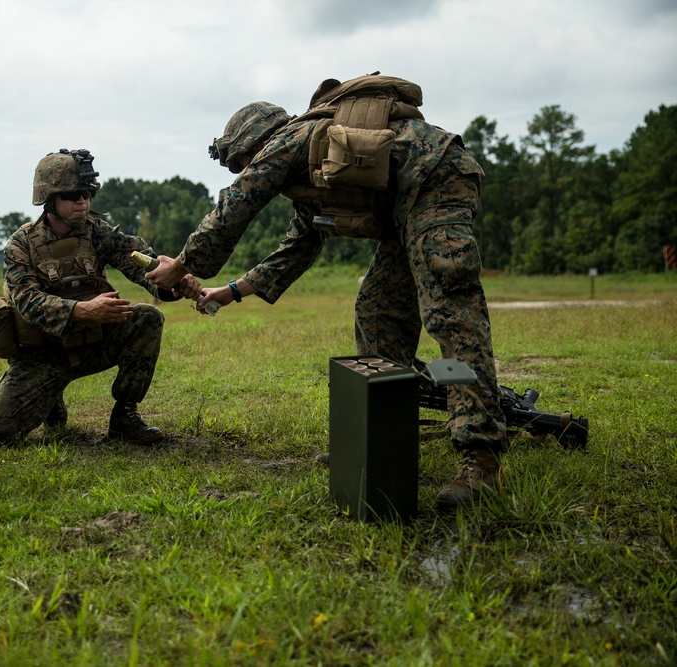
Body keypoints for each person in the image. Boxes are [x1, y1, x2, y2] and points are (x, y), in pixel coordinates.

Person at [146, 75, 508, 508]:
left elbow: (235, 205)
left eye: (242, 159)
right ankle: (382, 437)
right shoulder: (311, 172)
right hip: (403, 209)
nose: (245, 168)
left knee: (448, 312)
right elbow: (298, 247)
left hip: (436, 181)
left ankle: (480, 456)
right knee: (377, 312)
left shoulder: (289, 140)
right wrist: (229, 291)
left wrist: (182, 266)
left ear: (255, 142)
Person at [0, 149, 200, 447]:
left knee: (146, 317)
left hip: (93, 344)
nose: (82, 201)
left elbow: (145, 267)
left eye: (87, 193)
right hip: (43, 355)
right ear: (49, 199)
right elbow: (27, 302)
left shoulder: (98, 234)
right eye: (72, 194)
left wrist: (175, 281)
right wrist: (84, 310)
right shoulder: (21, 244)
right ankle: (51, 397)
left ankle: (124, 418)